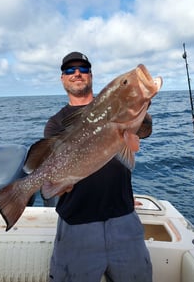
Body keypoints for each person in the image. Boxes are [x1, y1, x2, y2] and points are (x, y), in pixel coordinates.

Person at [44, 51, 153, 282]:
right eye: (70, 70)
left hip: (123, 219)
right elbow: (52, 172)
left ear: (91, 76)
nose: (77, 74)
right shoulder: (56, 123)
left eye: (83, 69)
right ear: (62, 78)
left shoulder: (114, 107)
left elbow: (144, 131)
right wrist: (56, 183)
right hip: (76, 225)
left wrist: (140, 103)